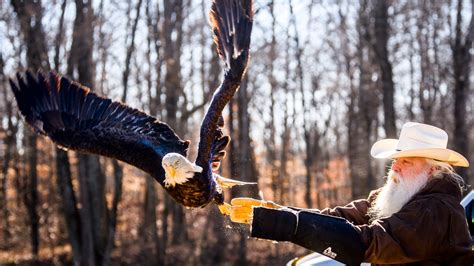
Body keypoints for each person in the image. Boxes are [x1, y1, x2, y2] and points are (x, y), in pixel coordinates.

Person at [229, 122, 474, 265]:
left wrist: (289, 225)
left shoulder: (437, 210)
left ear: (432, 171)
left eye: (407, 161)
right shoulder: (399, 195)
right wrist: (275, 213)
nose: (395, 167)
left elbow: (367, 243)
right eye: (395, 160)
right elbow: (340, 217)